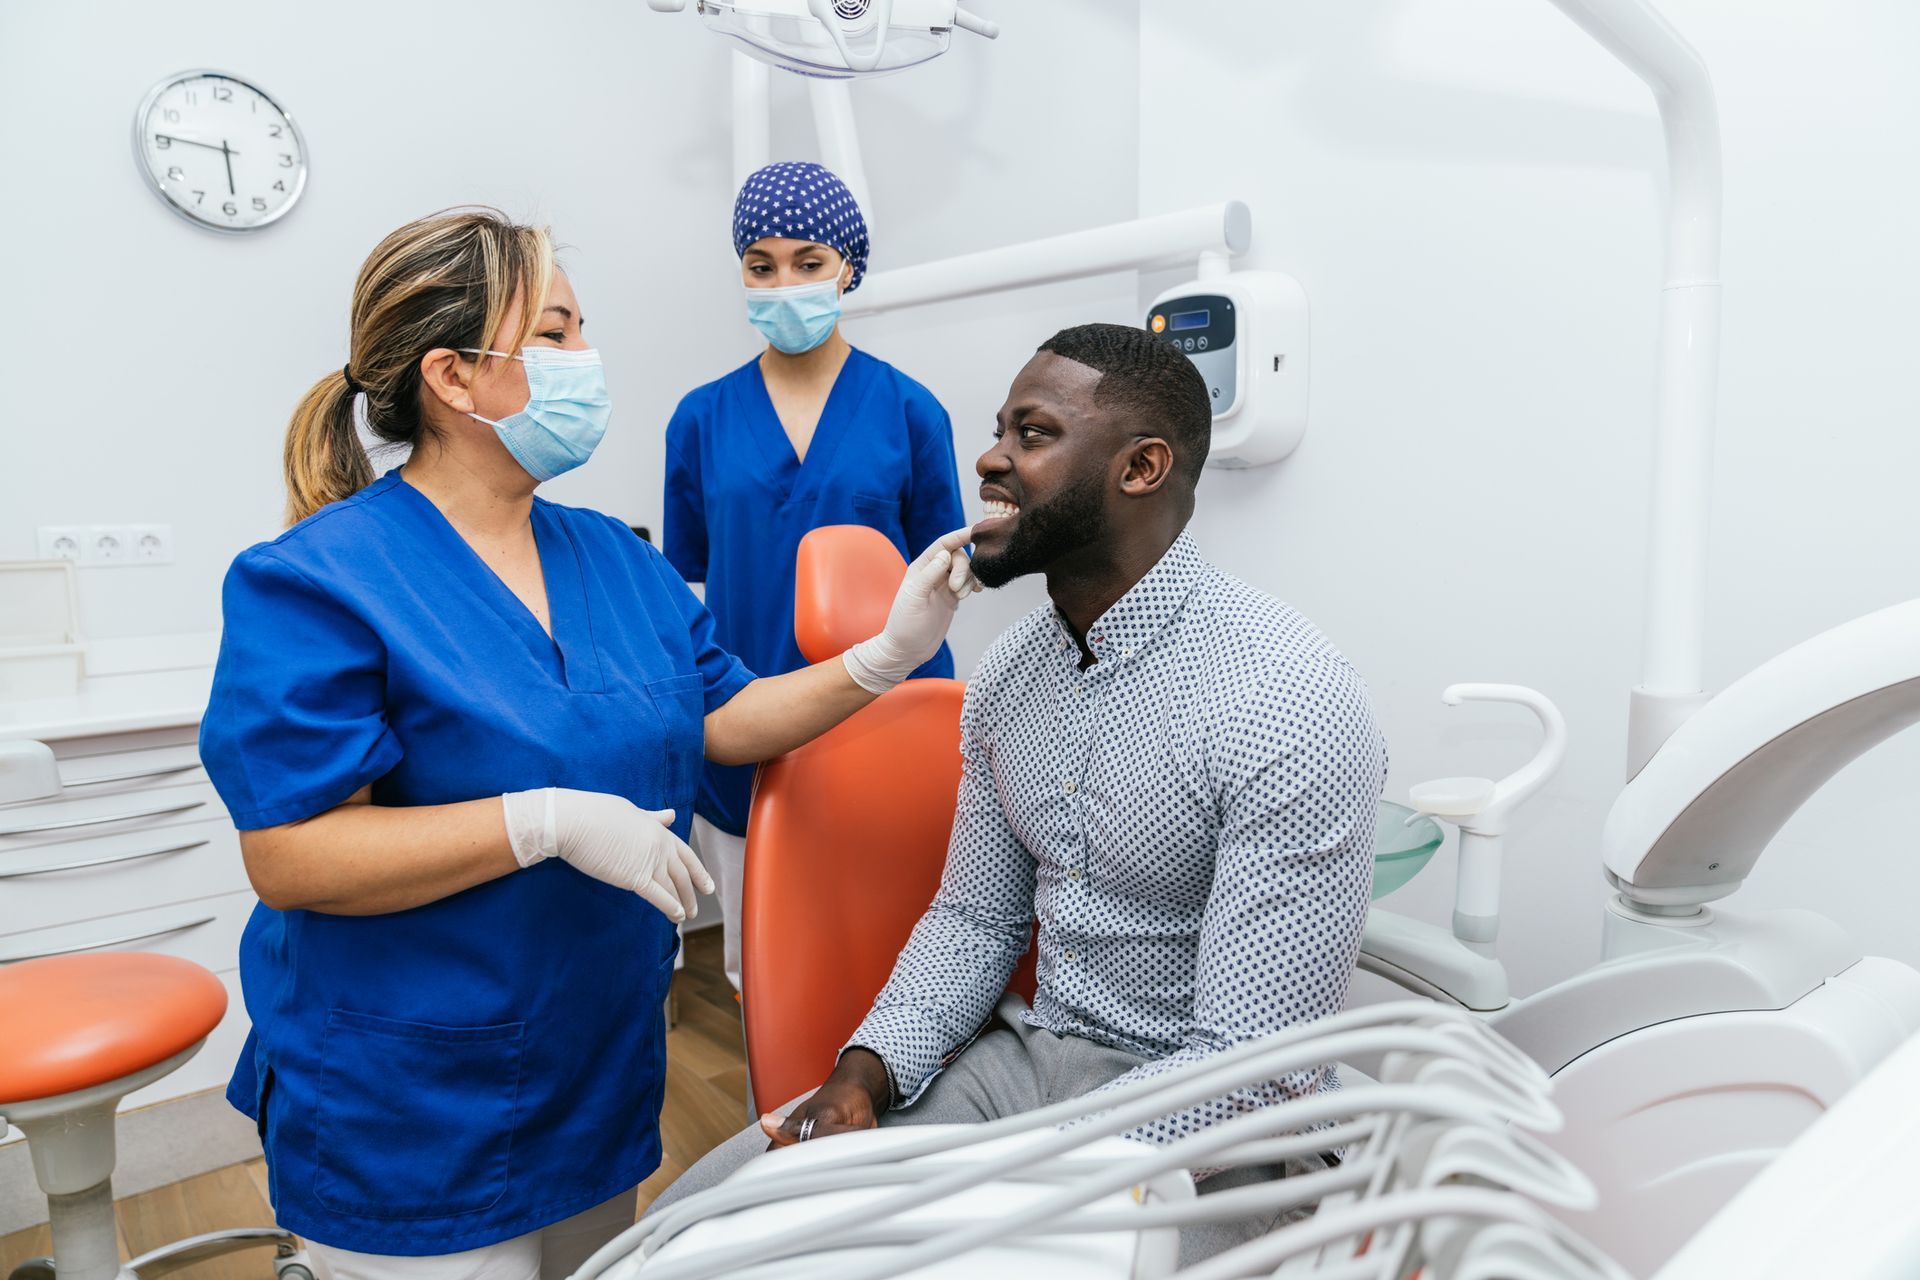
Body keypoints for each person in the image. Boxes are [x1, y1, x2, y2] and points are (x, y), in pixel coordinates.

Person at [197, 208, 976, 1279]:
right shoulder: (315, 579)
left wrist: (883, 656)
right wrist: (540, 822)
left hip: (595, 1074)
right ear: (455, 378)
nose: (585, 361)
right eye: (556, 333)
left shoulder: (613, 557)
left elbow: (724, 713)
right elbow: (292, 852)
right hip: (411, 1108)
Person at [649, 323, 1389, 1264]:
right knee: (711, 1220)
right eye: (1001, 428)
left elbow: (1247, 1068)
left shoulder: (1287, 699)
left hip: (1209, 1127)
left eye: (1031, 434)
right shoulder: (1009, 680)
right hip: (1025, 1067)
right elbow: (973, 922)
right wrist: (864, 1073)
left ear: (1141, 467)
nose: (990, 457)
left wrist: (998, 1174)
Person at [664, 161, 966, 990]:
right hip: (745, 716)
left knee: (900, 949)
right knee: (765, 969)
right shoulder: (701, 417)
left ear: (849, 269)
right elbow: (693, 567)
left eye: (807, 262)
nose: (783, 282)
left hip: (886, 710)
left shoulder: (909, 410)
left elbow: (944, 566)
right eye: (761, 265)